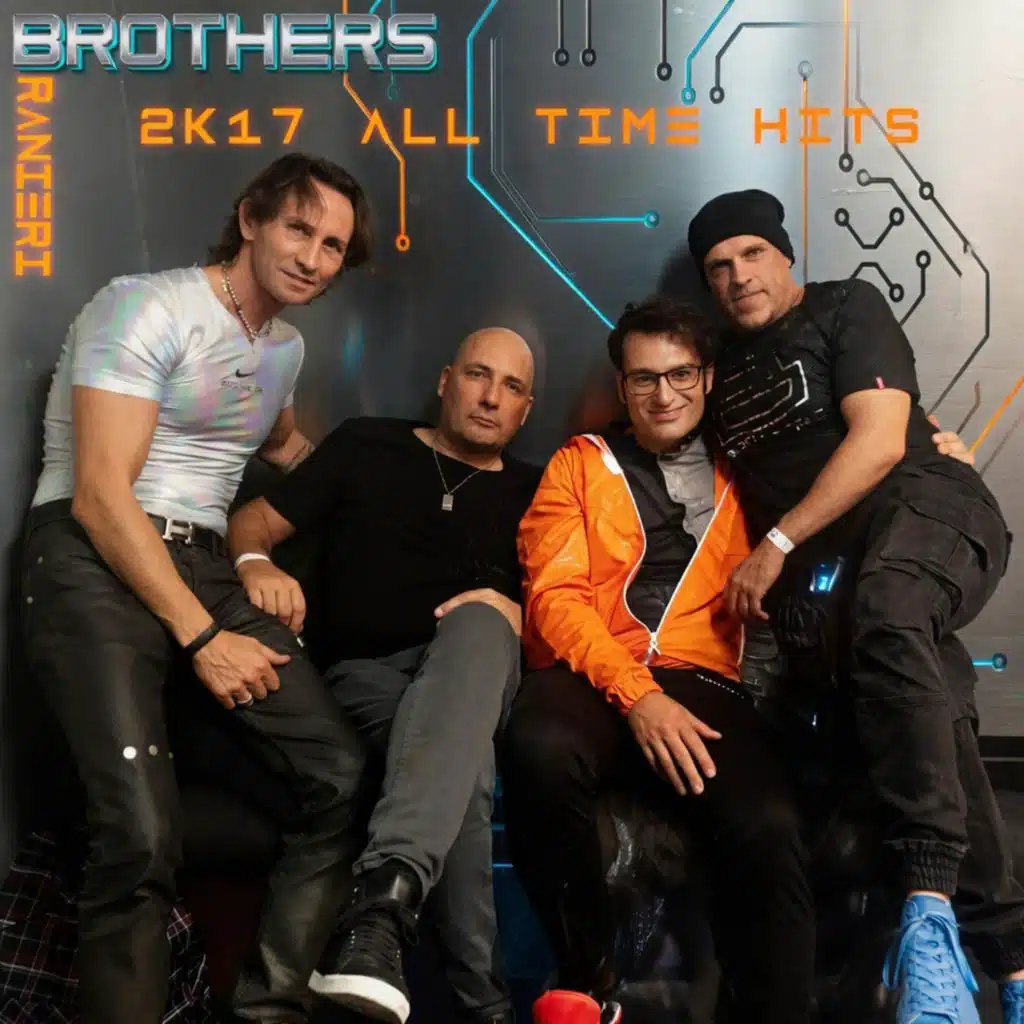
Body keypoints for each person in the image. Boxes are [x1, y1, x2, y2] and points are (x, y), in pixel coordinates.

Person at [501, 294, 977, 1024]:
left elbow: (855, 464)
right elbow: (555, 597)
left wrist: (935, 454)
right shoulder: (581, 462)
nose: (663, 394)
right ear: (622, 386)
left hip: (707, 681)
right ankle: (585, 981)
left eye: (680, 375)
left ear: (708, 378)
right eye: (644, 378)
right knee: (538, 744)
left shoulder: (751, 467)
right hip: (593, 673)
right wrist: (638, 696)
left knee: (769, 827)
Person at [20, 152, 376, 1024]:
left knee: (338, 773)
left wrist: (377, 487)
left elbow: (276, 443)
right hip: (93, 554)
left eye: (332, 246)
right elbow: (101, 496)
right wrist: (206, 637)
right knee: (138, 838)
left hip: (209, 564)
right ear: (251, 219)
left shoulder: (284, 348)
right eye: (299, 229)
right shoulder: (143, 305)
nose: (313, 258)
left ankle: (268, 1009)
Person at [688, 187, 1023, 1024]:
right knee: (925, 697)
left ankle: (928, 908)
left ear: (786, 256)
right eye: (719, 266)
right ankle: (1015, 967)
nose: (738, 276)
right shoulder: (713, 369)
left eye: (753, 254)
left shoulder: (844, 306)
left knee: (891, 610)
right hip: (845, 572)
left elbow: (877, 441)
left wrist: (776, 544)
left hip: (927, 507)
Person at [225, 327, 540, 1024]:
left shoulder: (537, 491)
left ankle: (379, 916)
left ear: (525, 410)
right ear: (445, 380)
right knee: (464, 772)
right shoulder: (367, 444)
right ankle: (481, 1002)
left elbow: (572, 604)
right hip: (366, 677)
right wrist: (255, 563)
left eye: (511, 387)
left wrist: (518, 612)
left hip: (476, 670)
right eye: (478, 375)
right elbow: (252, 522)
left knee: (481, 619)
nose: (490, 397)